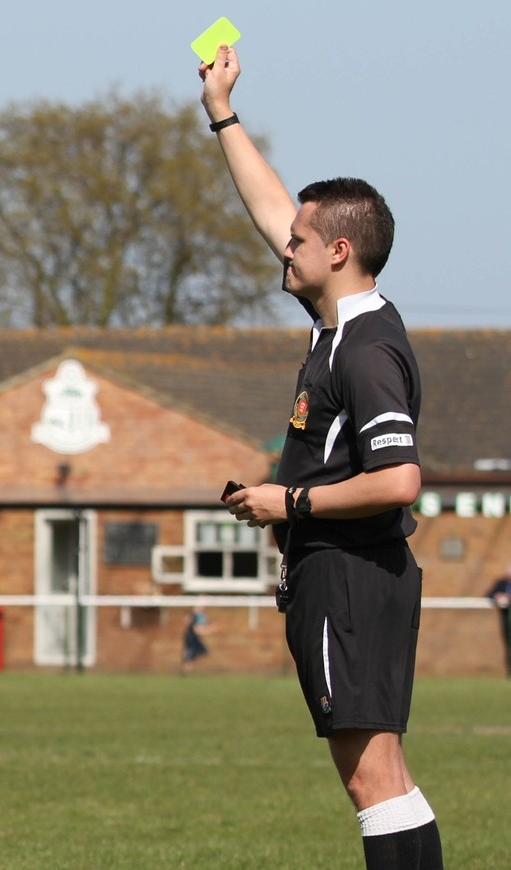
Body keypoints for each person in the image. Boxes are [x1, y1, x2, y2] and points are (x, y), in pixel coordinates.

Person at [203, 47, 443, 868]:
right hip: (341, 575)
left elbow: (401, 480)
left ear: (338, 253)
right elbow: (274, 209)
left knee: (371, 782)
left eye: (301, 241)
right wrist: (222, 114)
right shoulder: (340, 324)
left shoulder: (366, 351)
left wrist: (288, 503)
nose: (284, 247)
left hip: (348, 574)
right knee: (384, 779)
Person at [486, 565, 511, 676]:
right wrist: (498, 597)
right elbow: (489, 595)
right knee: (508, 644)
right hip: (506, 619)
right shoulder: (501, 583)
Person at [180, 603, 216, 675]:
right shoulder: (194, 616)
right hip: (191, 638)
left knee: (200, 652)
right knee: (189, 655)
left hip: (194, 638)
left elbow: (199, 629)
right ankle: (185, 670)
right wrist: (212, 629)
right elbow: (198, 631)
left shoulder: (200, 616)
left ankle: (187, 668)